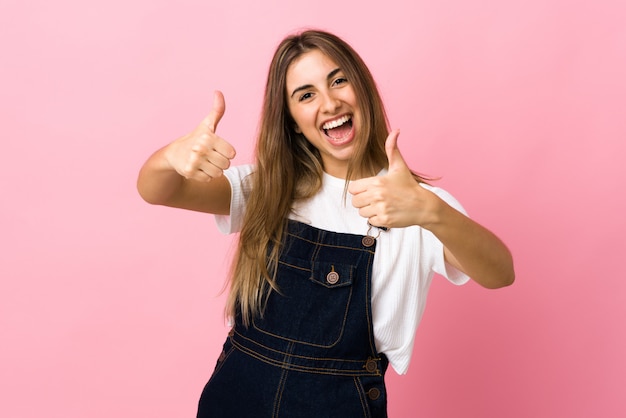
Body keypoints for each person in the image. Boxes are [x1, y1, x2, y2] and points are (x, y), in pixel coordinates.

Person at [137, 29, 514, 418]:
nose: (330, 102)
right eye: (306, 94)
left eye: (338, 80)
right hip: (236, 397)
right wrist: (169, 157)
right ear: (294, 122)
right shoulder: (267, 188)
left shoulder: (416, 204)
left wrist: (430, 212)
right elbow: (159, 190)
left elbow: (501, 272)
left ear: (363, 89)